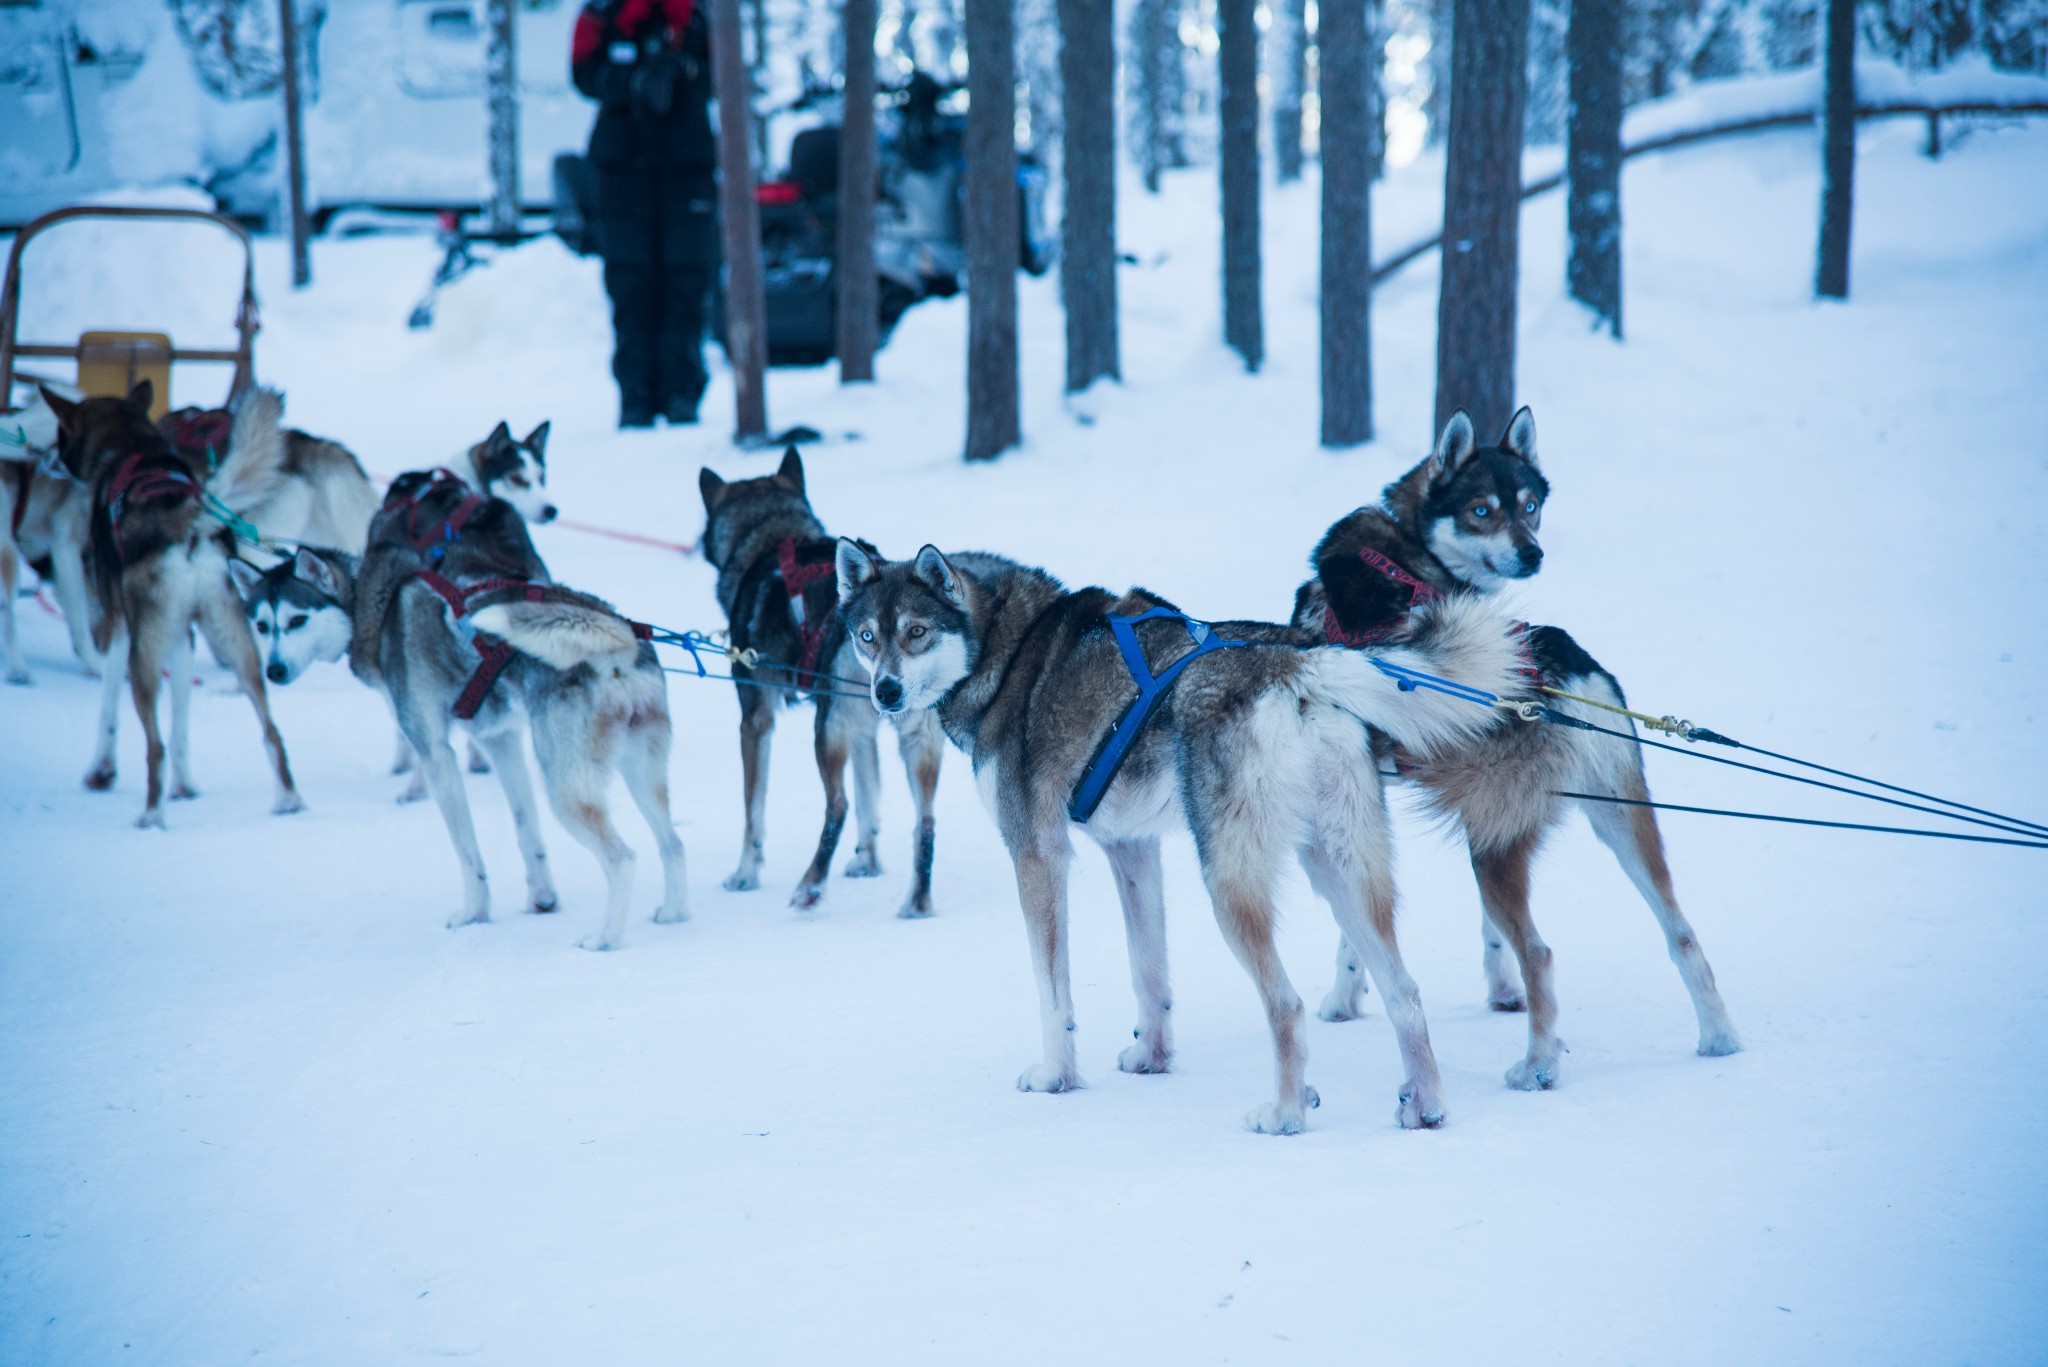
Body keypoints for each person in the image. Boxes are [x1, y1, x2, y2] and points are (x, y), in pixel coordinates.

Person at [571, 0, 718, 428]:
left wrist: (684, 74)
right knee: (631, 282)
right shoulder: (603, 11)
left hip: (686, 166)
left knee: (686, 281)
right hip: (623, 168)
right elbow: (583, 73)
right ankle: (634, 395)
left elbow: (727, 72)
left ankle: (681, 393)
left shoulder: (700, 14)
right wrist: (631, 83)